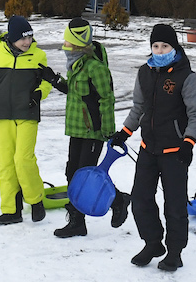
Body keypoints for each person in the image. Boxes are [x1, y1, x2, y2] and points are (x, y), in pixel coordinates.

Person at [108, 23, 196, 272]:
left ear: (174, 47)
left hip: (175, 152)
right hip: (148, 148)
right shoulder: (145, 72)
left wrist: (189, 142)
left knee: (174, 204)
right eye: (155, 46)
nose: (160, 50)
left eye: (165, 46)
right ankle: (153, 243)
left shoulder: (186, 76)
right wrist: (125, 132)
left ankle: (175, 252)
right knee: (141, 199)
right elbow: (138, 108)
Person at [0, 15, 55, 226]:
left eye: (30, 37)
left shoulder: (38, 56)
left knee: (23, 159)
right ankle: (11, 210)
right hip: (4, 115)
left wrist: (38, 95)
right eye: (23, 38)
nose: (27, 42)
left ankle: (35, 200)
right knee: (5, 163)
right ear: (11, 38)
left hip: (28, 114)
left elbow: (47, 83)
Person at [48, 17, 131, 238]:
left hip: (94, 131)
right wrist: (54, 81)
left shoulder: (95, 68)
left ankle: (118, 200)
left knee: (88, 176)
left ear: (77, 44)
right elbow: (76, 93)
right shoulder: (75, 65)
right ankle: (77, 221)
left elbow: (107, 99)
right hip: (76, 128)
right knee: (71, 173)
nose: (65, 47)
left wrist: (108, 131)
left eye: (68, 43)